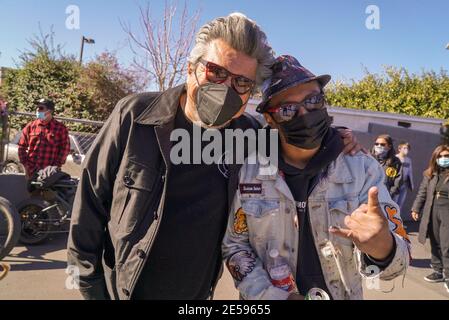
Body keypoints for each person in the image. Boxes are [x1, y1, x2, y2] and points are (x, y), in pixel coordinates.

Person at [67, 14, 361, 300]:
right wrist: (91, 286)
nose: (225, 89)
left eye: (242, 83)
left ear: (250, 94)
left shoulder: (253, 137)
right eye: (216, 72)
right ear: (190, 68)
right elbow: (91, 200)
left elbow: (300, 142)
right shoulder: (135, 116)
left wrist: (336, 140)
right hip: (122, 289)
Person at [222, 55, 410, 300]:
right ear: (269, 118)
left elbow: (399, 260)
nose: (305, 113)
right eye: (288, 109)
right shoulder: (251, 171)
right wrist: (274, 297)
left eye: (313, 100)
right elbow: (235, 246)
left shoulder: (362, 169)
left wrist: (383, 248)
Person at [411, 144, 449, 292]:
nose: (444, 159)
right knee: (435, 241)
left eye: (447, 156)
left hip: (447, 212)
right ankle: (438, 271)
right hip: (432, 211)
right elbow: (422, 192)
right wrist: (416, 208)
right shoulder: (430, 174)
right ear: (435, 158)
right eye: (441, 156)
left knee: (447, 245)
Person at [18, 98, 70, 179]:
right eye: (37, 107)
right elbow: (21, 146)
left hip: (50, 173)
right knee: (30, 191)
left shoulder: (60, 128)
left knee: (48, 192)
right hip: (31, 171)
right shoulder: (31, 126)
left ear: (49, 111)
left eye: (41, 108)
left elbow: (65, 149)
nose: (38, 110)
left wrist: (56, 166)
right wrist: (26, 166)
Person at [393, 142, 414, 210]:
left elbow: (410, 172)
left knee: (400, 203)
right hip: (396, 184)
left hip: (404, 184)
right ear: (399, 149)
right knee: (394, 203)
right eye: (404, 148)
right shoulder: (395, 158)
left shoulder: (408, 160)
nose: (406, 150)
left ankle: (397, 219)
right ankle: (390, 219)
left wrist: (411, 184)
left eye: (407, 148)